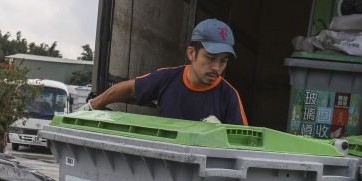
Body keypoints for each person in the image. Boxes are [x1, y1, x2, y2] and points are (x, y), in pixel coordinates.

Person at [85, 19, 248, 125]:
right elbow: (129, 88)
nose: (217, 67)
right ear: (191, 53)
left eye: (223, 61)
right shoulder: (167, 78)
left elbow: (244, 146)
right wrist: (93, 105)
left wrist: (221, 134)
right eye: (211, 58)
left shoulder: (229, 95)